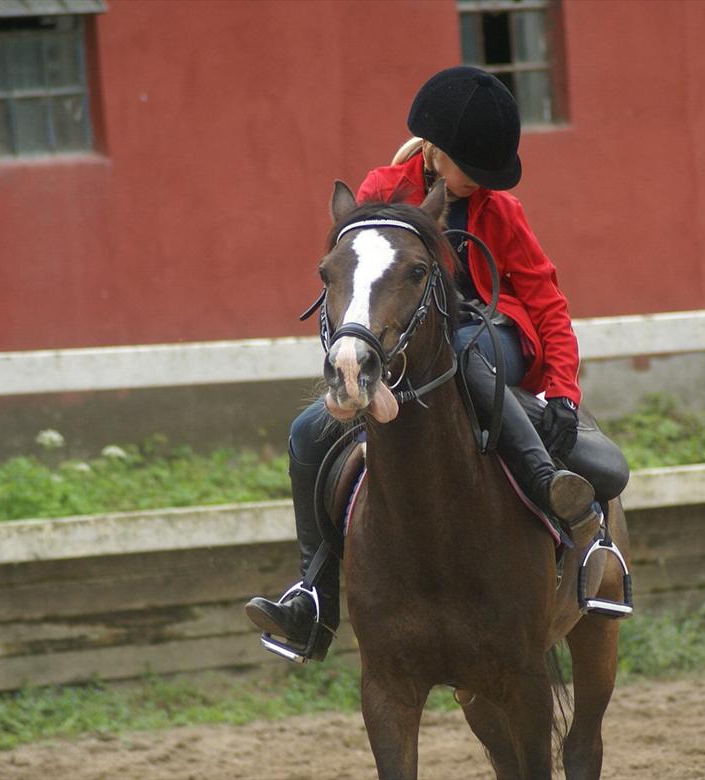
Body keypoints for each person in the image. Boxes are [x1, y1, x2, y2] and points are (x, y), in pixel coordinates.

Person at [245, 65, 603, 662]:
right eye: (475, 169)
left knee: (465, 355)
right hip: (405, 351)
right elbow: (356, 288)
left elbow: (546, 298)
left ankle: (552, 491)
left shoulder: (502, 211)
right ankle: (313, 596)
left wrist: (564, 392)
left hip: (494, 334)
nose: (482, 183)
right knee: (306, 429)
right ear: (435, 152)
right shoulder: (382, 190)